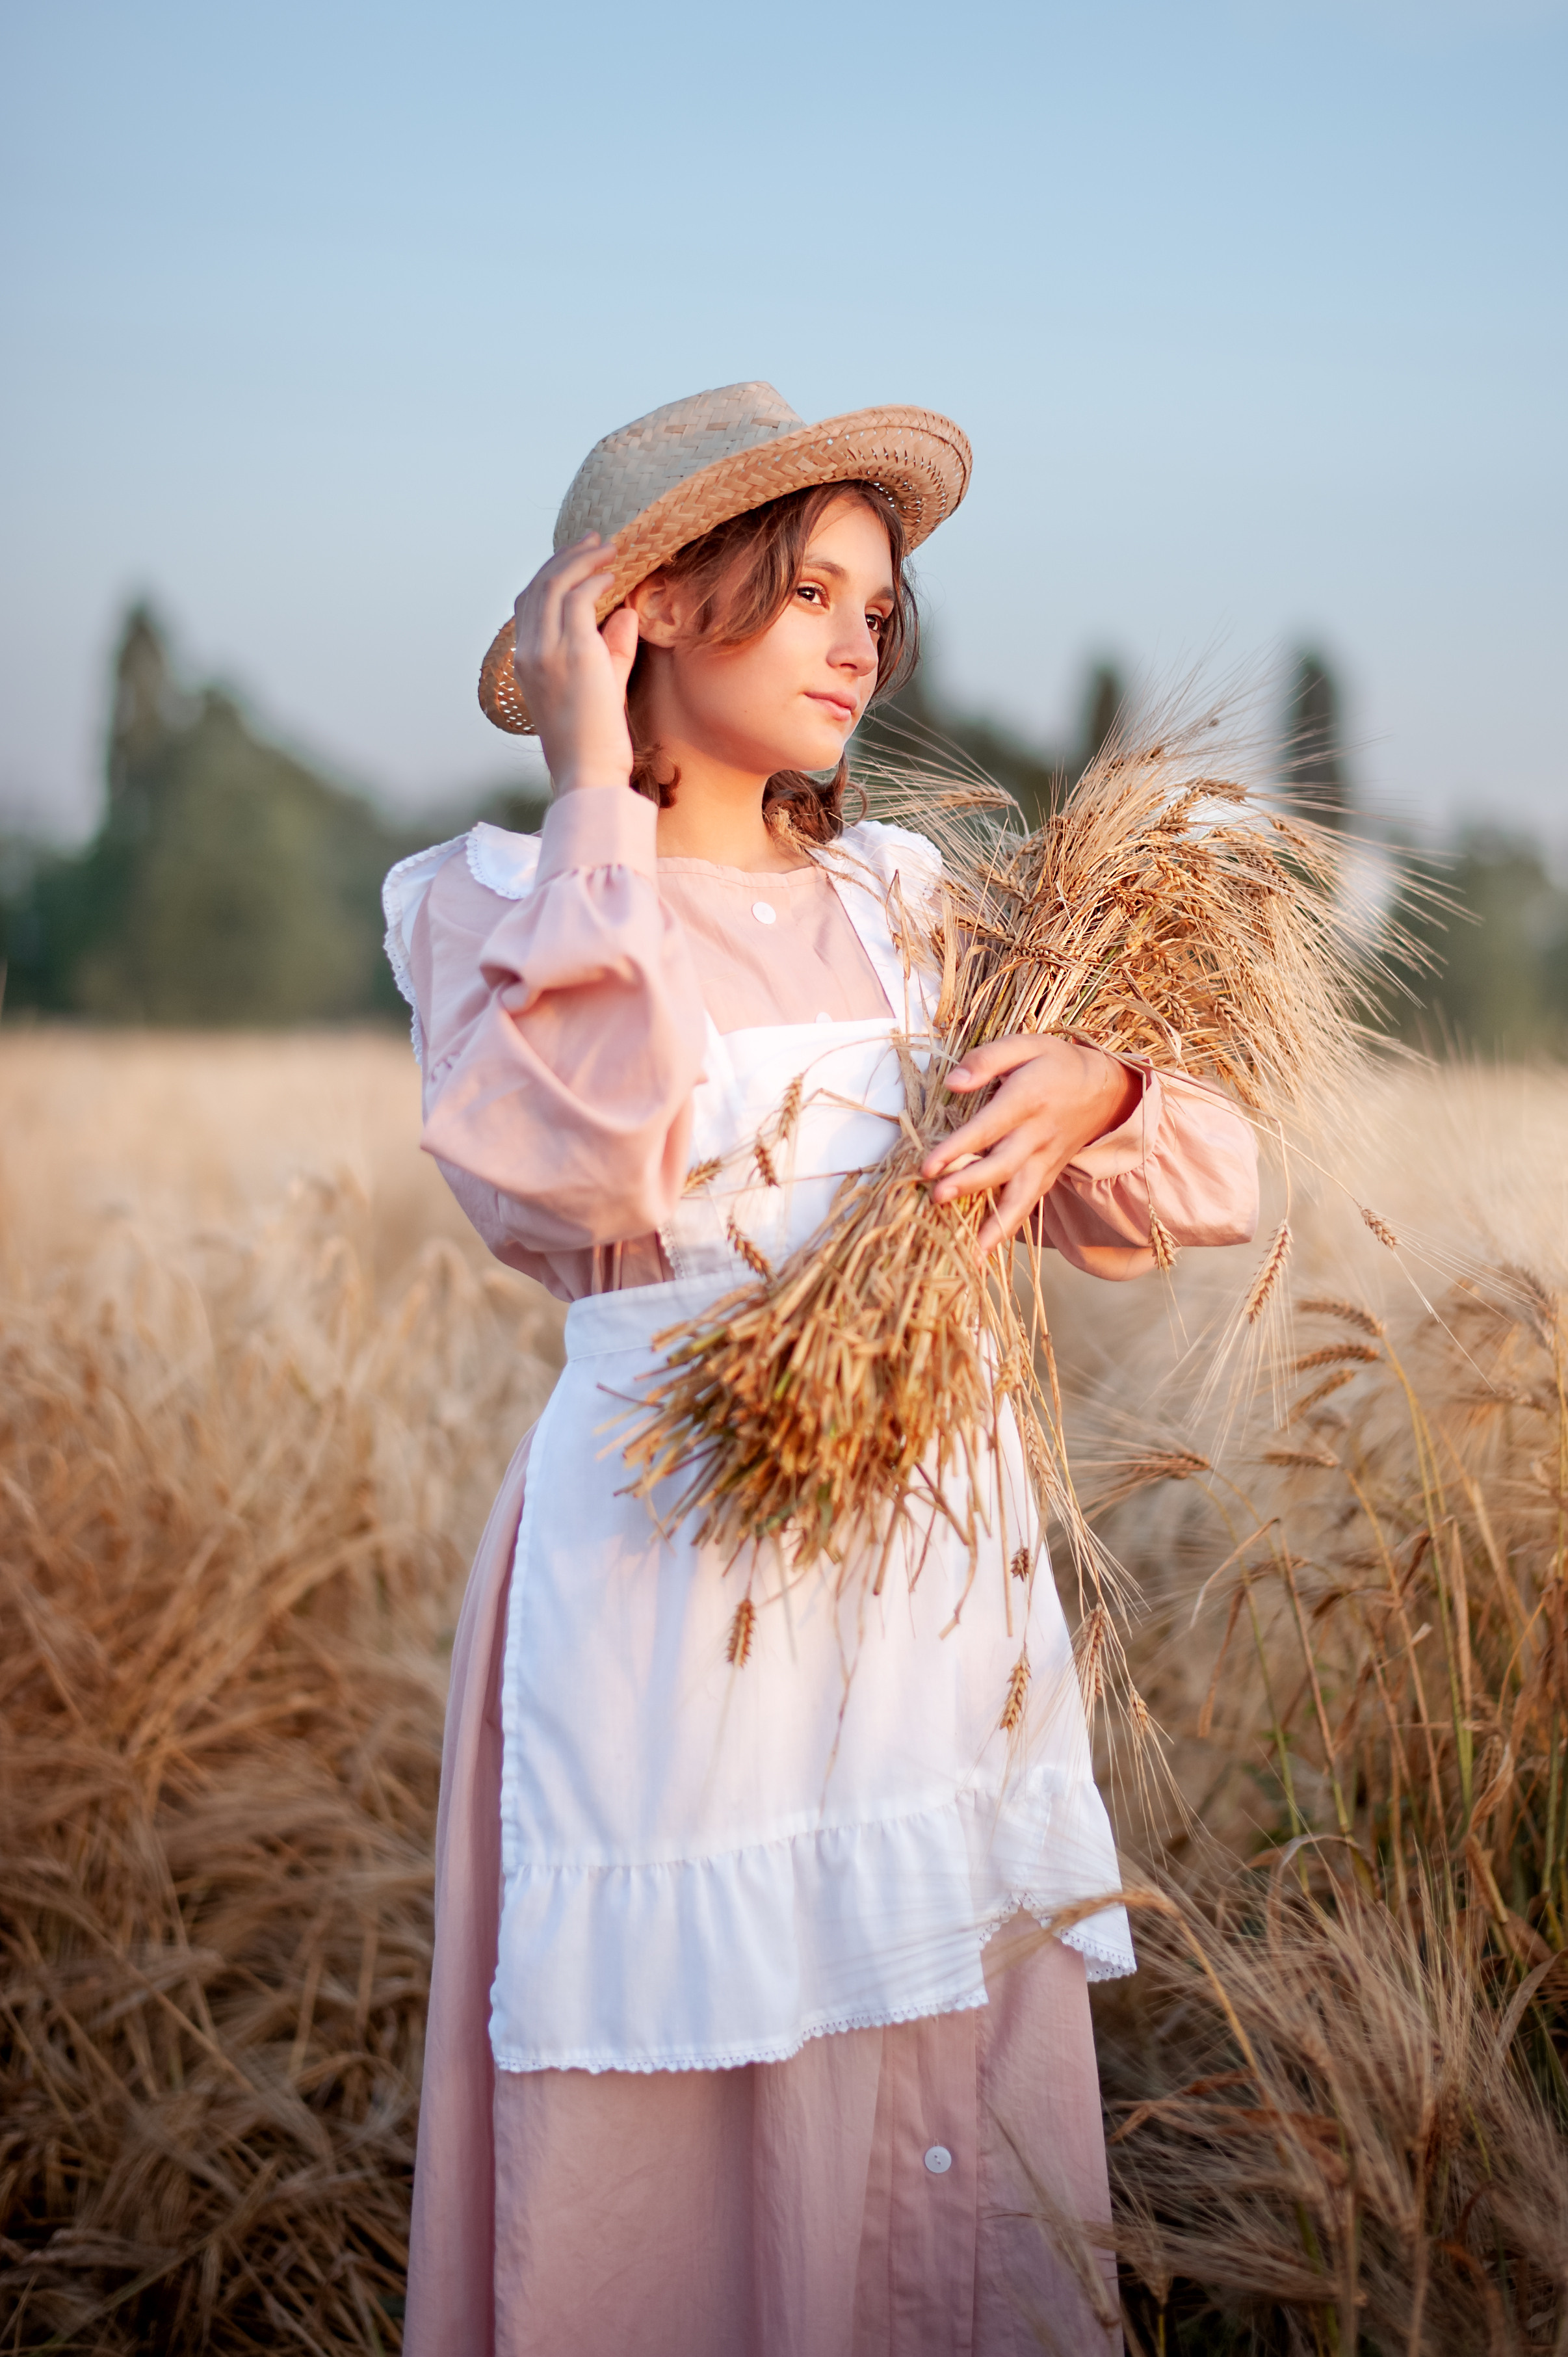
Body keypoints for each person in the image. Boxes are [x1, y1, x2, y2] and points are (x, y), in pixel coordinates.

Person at [383, 382, 1260, 2356]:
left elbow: (1209, 1174)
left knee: (919, 2100)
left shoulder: (906, 914)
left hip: (925, 1599)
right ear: (646, 614)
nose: (865, 638)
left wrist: (1102, 1087)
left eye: (882, 600)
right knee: (664, 2120)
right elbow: (568, 1160)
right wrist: (594, 791)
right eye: (806, 592)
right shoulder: (495, 907)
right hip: (661, 1590)